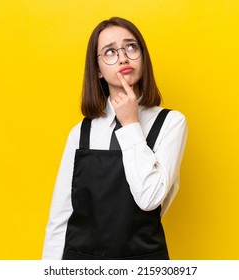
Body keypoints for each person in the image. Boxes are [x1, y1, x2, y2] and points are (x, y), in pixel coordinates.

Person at [42, 17, 187, 260]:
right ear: (97, 69)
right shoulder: (81, 132)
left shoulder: (171, 123)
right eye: (109, 51)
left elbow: (149, 199)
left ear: (143, 57)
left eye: (131, 47)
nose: (123, 58)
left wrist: (131, 124)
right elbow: (61, 216)